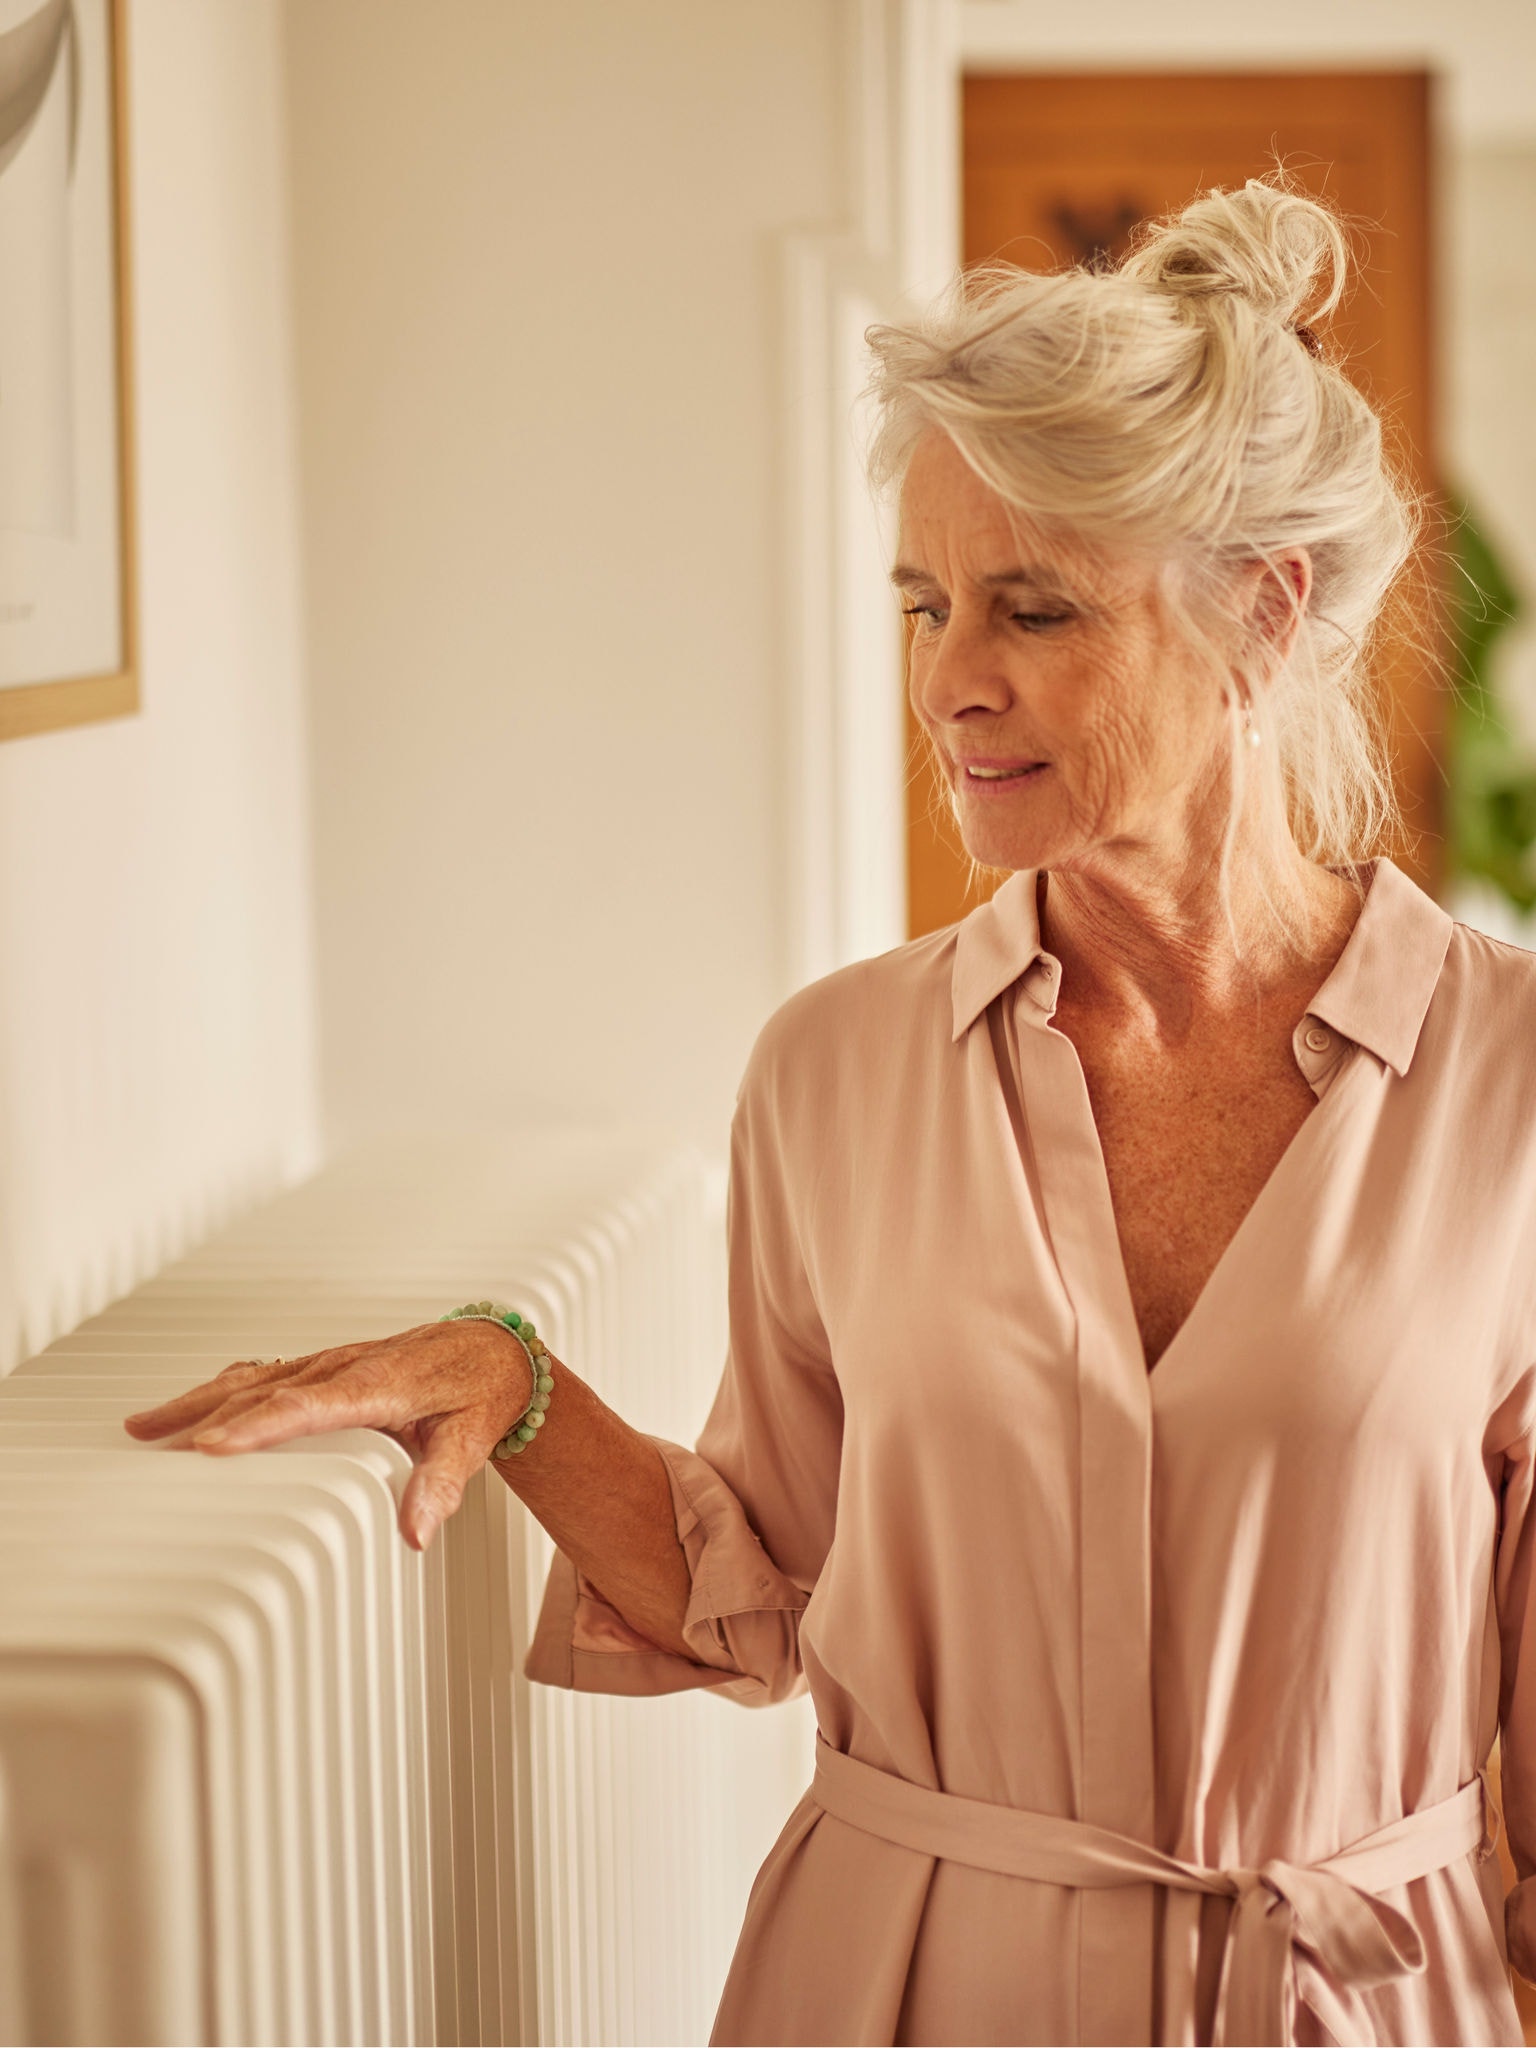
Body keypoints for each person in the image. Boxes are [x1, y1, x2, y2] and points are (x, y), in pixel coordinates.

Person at [126, 175, 1536, 2047]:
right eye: (926, 603)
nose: (950, 684)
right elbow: (761, 1583)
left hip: (1368, 2000)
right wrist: (513, 1380)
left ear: (1263, 621)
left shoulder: (1509, 1077)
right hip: (906, 1994)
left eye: (1033, 610)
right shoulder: (836, 1071)